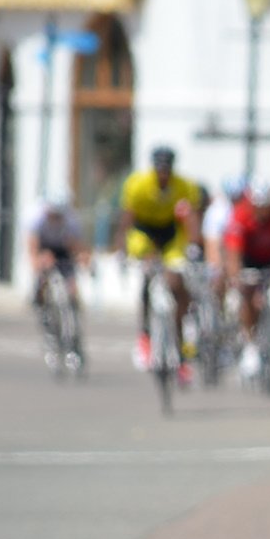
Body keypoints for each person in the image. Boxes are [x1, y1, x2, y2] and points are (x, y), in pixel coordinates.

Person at [114, 145, 202, 380]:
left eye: (167, 170)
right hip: (144, 231)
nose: (163, 174)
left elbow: (191, 217)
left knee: (176, 281)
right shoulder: (138, 184)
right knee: (149, 271)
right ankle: (145, 334)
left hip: (170, 233)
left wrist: (194, 245)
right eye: (160, 169)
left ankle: (181, 342)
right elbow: (126, 219)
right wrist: (121, 249)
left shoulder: (183, 185)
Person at [226, 175, 270, 380]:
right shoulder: (240, 215)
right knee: (247, 294)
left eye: (266, 206)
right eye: (258, 206)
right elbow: (233, 253)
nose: (262, 211)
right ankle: (250, 344)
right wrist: (235, 277)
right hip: (249, 260)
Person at [27, 195, 90, 312]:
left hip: (62, 247)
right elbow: (33, 245)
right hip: (45, 246)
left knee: (71, 279)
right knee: (45, 266)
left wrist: (83, 258)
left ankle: (73, 307)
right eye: (52, 215)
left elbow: (78, 245)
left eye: (58, 216)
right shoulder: (38, 220)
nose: (55, 219)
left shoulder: (71, 222)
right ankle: (39, 296)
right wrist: (36, 261)